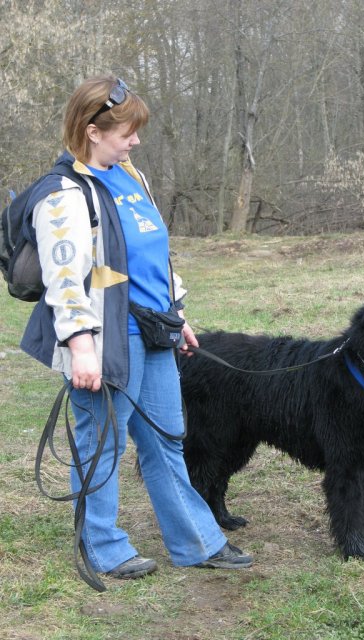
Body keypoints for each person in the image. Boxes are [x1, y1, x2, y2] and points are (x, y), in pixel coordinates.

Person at [20, 76, 252, 581]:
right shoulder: (63, 194)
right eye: (127, 131)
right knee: (103, 442)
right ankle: (103, 546)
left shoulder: (132, 176)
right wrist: (81, 346)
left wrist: (179, 313)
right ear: (92, 130)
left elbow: (155, 257)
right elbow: (65, 282)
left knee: (168, 437)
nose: (136, 141)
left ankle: (195, 541)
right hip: (106, 338)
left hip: (154, 331)